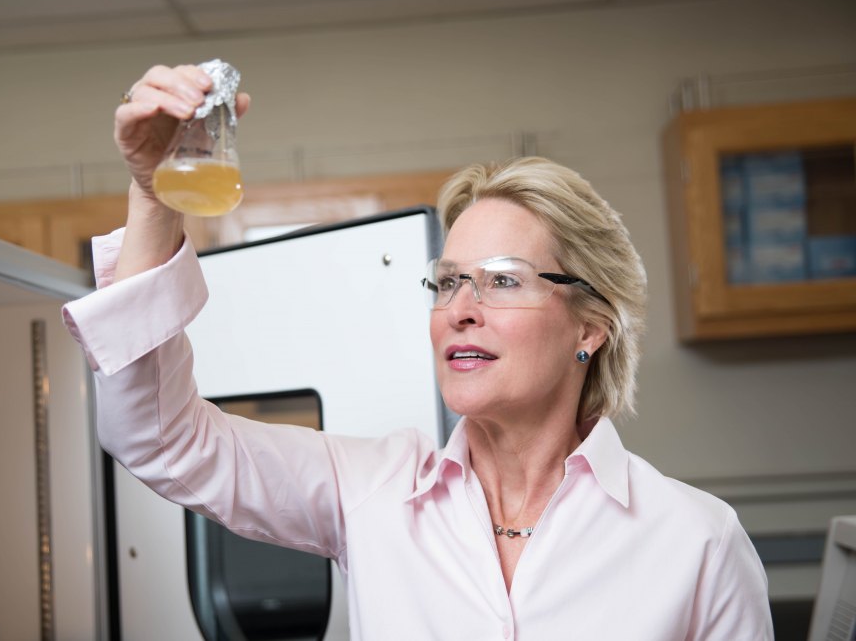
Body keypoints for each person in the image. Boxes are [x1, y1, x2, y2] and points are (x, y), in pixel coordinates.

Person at [62, 63, 774, 639]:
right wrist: (154, 196)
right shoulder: (372, 492)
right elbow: (160, 441)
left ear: (591, 326)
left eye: (501, 281)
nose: (460, 310)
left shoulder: (696, 543)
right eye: (448, 282)